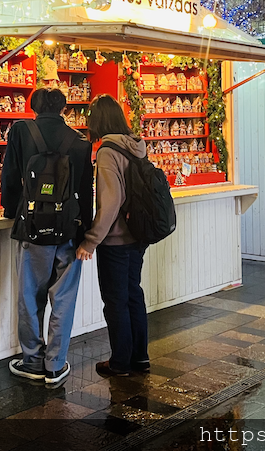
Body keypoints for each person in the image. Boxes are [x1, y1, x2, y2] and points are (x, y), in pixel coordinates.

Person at [1, 88, 94, 386]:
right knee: (64, 297)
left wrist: (10, 210)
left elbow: (10, 174)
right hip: (69, 228)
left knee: (29, 295)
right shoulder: (80, 142)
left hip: (32, 227)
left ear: (34, 106)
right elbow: (84, 190)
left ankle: (31, 360)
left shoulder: (21, 131)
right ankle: (55, 364)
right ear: (64, 108)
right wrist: (85, 230)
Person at [77, 95, 150, 378]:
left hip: (116, 239)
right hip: (137, 235)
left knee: (116, 300)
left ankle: (120, 362)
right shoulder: (136, 146)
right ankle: (139, 358)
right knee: (134, 295)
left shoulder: (108, 151)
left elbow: (110, 201)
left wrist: (91, 240)